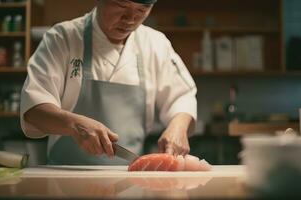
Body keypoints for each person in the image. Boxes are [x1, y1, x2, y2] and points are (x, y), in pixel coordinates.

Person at [20, 0, 197, 165]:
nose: (130, 19)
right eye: (121, 6)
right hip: (65, 179)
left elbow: (182, 96)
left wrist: (178, 127)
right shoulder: (62, 38)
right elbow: (34, 109)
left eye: (141, 10)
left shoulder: (156, 44)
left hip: (130, 180)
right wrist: (73, 124)